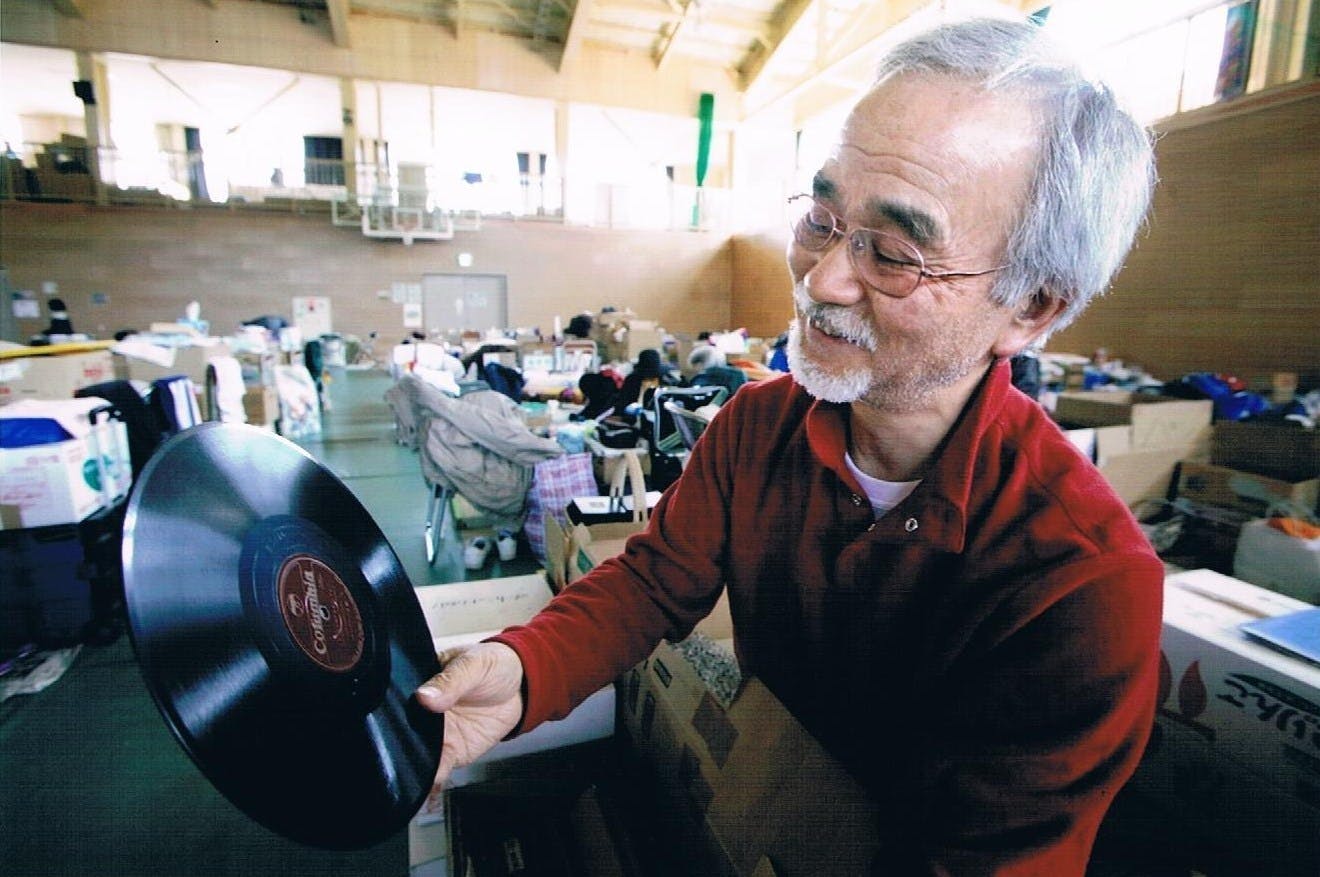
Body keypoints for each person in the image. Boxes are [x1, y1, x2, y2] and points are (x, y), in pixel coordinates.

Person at [418, 13, 1162, 874]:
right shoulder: (757, 427)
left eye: (893, 252)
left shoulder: (1082, 584)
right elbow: (652, 583)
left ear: (1030, 307)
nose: (822, 278)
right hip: (761, 813)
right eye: (821, 216)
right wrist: (523, 668)